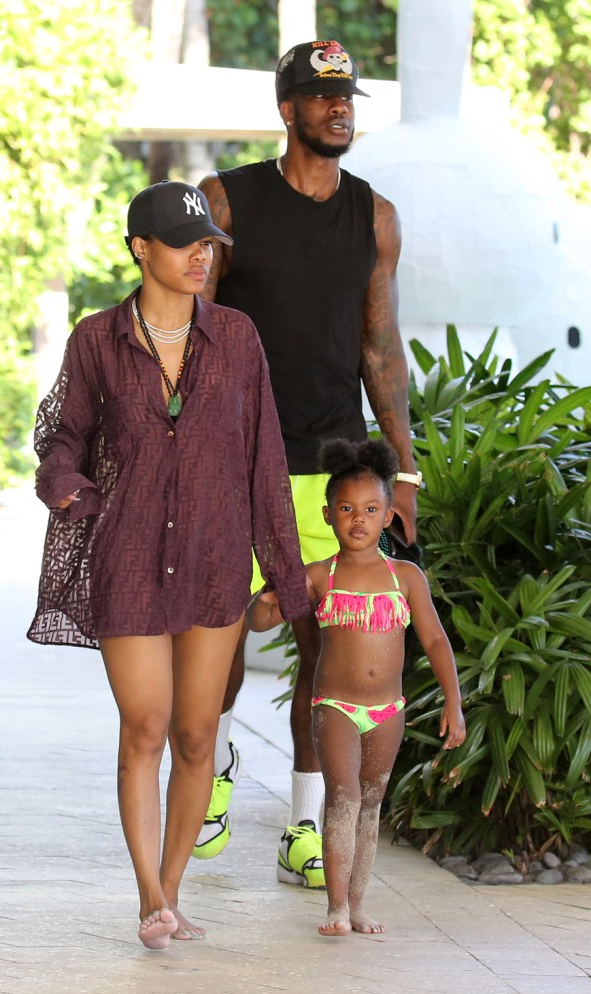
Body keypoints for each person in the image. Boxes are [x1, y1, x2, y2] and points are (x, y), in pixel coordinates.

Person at [27, 180, 310, 950]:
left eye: (207, 241)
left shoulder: (239, 340)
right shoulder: (96, 339)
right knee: (145, 725)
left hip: (217, 563)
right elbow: (62, 432)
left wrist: (284, 573)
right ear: (140, 249)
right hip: (128, 560)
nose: (201, 254)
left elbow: (265, 462)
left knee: (194, 736)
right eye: (184, 241)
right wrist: (69, 487)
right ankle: (148, 893)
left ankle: (174, 887)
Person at [193, 39, 421, 889]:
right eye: (323, 98)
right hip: (236, 464)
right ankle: (212, 777)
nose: (340, 109)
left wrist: (404, 473)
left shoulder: (375, 216)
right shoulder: (230, 200)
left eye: (347, 97)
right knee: (216, 645)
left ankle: (301, 827)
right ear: (287, 108)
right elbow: (192, 331)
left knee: (323, 656)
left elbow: (380, 347)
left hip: (327, 467)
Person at [247, 438, 466, 936]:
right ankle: (336, 907)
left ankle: (360, 904)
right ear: (327, 516)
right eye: (346, 509)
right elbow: (259, 621)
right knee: (342, 795)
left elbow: (434, 639)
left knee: (371, 804)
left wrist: (453, 702)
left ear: (389, 515)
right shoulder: (319, 575)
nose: (358, 519)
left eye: (370, 509)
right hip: (335, 707)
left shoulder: (406, 577)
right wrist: (270, 594)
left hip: (388, 709)